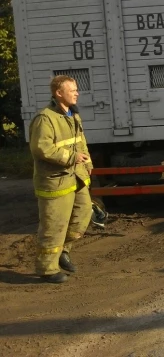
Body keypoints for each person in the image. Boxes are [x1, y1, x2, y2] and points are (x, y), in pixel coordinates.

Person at [29, 75, 94, 283]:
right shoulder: (45, 119)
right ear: (59, 93)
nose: (77, 93)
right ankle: (47, 269)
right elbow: (42, 148)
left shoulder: (73, 115)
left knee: (83, 215)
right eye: (72, 90)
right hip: (55, 181)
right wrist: (71, 158)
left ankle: (63, 251)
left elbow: (80, 143)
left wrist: (87, 164)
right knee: (54, 226)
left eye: (76, 89)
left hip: (77, 178)